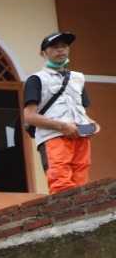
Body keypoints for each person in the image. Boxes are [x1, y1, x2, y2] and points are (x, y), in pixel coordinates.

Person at [24, 32, 101, 194]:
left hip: (81, 136)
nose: (61, 50)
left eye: (64, 46)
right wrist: (63, 126)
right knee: (61, 184)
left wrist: (92, 124)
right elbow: (29, 116)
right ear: (43, 54)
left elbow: (81, 111)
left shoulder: (78, 78)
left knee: (82, 184)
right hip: (54, 137)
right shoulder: (36, 79)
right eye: (54, 47)